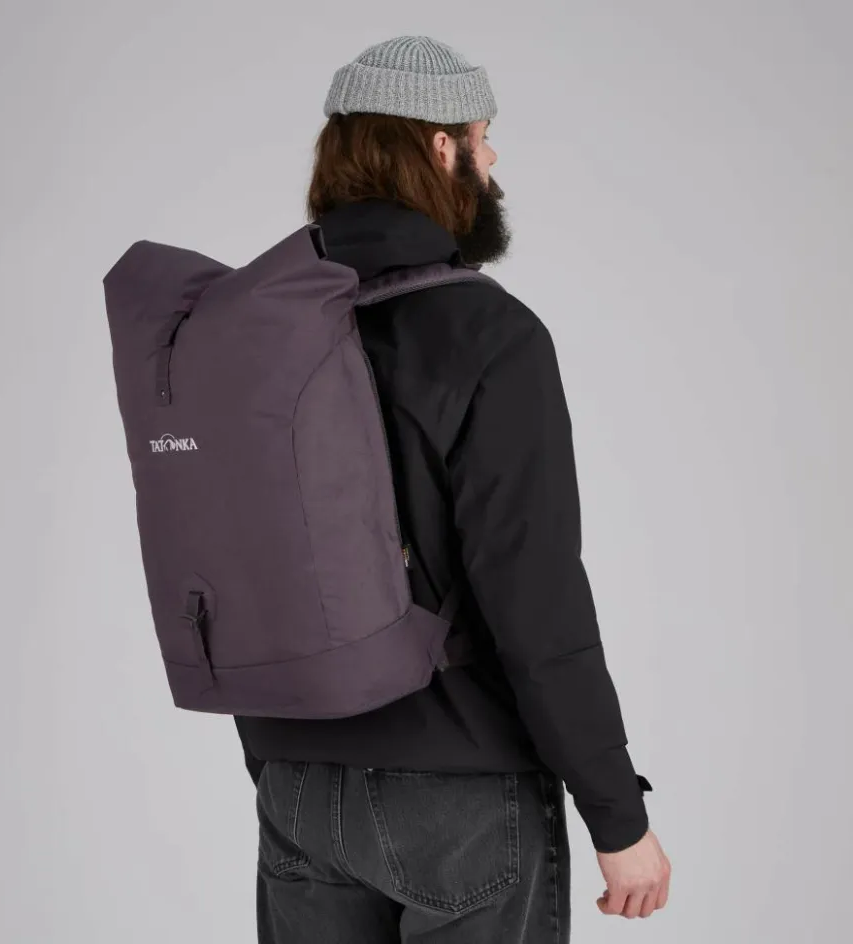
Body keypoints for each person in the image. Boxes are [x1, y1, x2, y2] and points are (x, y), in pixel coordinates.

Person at [233, 35, 672, 943]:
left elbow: (239, 558)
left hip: (298, 784)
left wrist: (286, 759)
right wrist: (616, 814)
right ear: (441, 147)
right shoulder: (490, 335)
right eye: (482, 136)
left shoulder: (261, 333)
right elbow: (535, 599)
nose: (492, 158)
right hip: (462, 794)